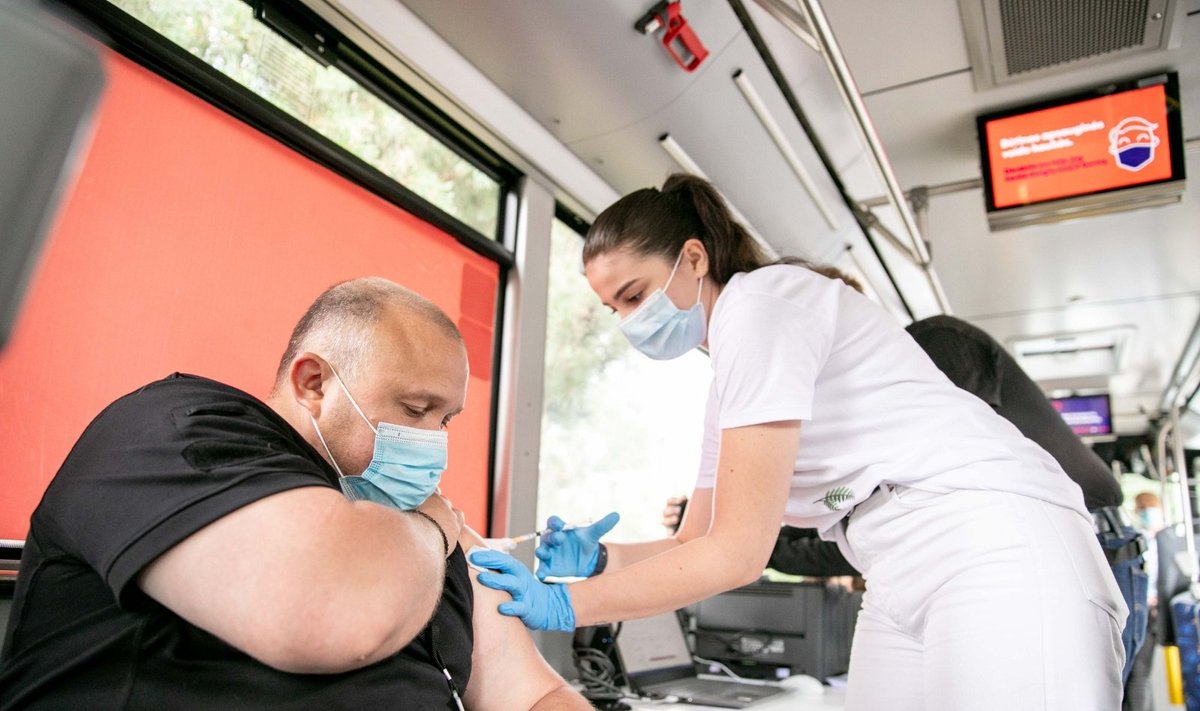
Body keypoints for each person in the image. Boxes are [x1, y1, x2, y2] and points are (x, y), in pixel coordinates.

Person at [469, 174, 1127, 711]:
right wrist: (601, 560)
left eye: (635, 293)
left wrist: (563, 603)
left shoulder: (759, 308)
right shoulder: (728, 375)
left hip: (988, 534)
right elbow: (691, 543)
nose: (629, 321)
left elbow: (735, 555)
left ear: (694, 258)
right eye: (614, 308)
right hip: (895, 563)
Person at [0, 277, 588, 710]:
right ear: (314, 384)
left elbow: (534, 695)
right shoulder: (177, 431)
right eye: (415, 409)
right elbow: (330, 614)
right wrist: (434, 528)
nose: (434, 442)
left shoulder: (412, 523)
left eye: (447, 419)